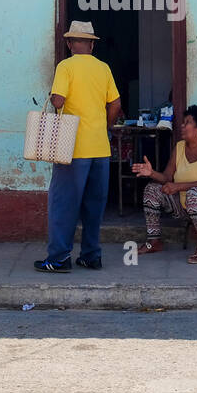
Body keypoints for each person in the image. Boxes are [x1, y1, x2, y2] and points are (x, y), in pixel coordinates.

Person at [34, 21, 122, 273]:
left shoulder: (66, 66)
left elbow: (59, 100)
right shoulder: (103, 68)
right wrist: (104, 127)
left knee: (64, 205)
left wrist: (53, 96)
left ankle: (59, 258)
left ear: (70, 44)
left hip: (71, 148)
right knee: (94, 206)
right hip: (100, 149)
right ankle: (91, 255)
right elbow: (115, 105)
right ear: (92, 45)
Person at [131, 104, 197, 264]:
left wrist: (178, 187)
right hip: (186, 205)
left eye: (188, 122)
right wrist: (151, 173)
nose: (182, 126)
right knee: (152, 189)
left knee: (195, 193)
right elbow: (167, 177)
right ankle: (154, 241)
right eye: (183, 122)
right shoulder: (179, 147)